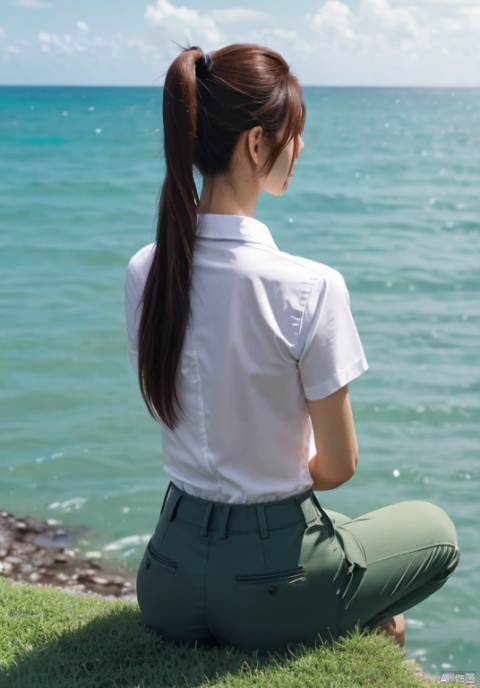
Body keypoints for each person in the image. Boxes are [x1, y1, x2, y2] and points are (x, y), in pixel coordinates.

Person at [125, 44, 459, 653]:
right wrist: (272, 478)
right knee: (436, 532)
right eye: (294, 134)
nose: (299, 149)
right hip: (270, 587)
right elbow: (338, 466)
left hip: (167, 578)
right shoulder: (311, 286)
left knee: (350, 534)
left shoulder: (146, 270)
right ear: (256, 144)